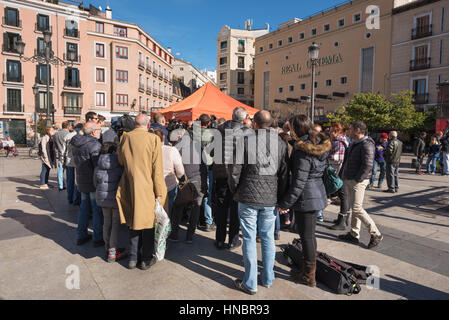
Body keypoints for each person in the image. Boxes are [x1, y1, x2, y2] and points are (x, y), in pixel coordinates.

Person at [229, 110, 288, 295]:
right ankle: (268, 278)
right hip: (270, 199)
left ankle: (251, 282)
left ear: (254, 123)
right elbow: (284, 174)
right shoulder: (280, 143)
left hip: (247, 196)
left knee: (248, 238)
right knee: (268, 238)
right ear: (270, 124)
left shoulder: (245, 141)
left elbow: (234, 171)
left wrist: (235, 190)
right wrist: (281, 197)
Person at [277, 115, 331, 287]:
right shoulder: (316, 144)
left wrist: (285, 204)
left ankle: (309, 276)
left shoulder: (302, 151)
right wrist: (285, 134)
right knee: (310, 235)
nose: (289, 130)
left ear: (296, 129)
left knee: (306, 236)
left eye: (291, 127)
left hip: (306, 197)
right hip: (317, 193)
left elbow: (299, 182)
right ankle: (307, 271)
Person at [116, 114, 167, 270]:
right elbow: (157, 169)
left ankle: (132, 258)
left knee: (133, 223)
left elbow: (120, 161)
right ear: (148, 124)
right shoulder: (154, 139)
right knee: (148, 224)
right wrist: (159, 191)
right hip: (147, 186)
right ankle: (145, 259)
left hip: (129, 185)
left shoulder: (125, 138)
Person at [338, 120, 383, 249]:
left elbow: (368, 165)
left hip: (358, 181)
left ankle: (376, 233)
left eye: (351, 129)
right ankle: (354, 234)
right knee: (354, 207)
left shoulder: (366, 144)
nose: (349, 131)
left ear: (358, 130)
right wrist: (343, 175)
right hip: (350, 178)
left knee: (357, 208)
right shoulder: (355, 143)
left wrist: (357, 179)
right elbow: (347, 161)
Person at [212, 107, 249, 250]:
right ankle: (233, 240)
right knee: (235, 209)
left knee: (221, 209)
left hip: (221, 173)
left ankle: (220, 240)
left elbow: (213, 151)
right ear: (244, 118)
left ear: (232, 115)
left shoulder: (220, 130)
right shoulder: (247, 132)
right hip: (238, 175)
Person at [168, 127, 207, 244]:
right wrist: (204, 183)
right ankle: (190, 235)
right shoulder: (197, 145)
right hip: (198, 179)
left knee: (178, 207)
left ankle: (174, 234)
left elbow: (174, 166)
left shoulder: (175, 148)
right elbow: (204, 165)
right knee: (196, 207)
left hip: (183, 181)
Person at [71, 122, 104, 247]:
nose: (100, 131)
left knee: (84, 208)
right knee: (96, 210)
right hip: (92, 181)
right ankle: (98, 237)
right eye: (99, 129)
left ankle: (81, 235)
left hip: (81, 179)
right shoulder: (95, 144)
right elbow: (97, 166)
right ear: (93, 131)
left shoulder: (76, 143)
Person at [94, 142, 127, 263]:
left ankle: (107, 248)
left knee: (106, 223)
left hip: (102, 199)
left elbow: (95, 183)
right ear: (113, 152)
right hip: (115, 200)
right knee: (115, 224)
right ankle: (113, 252)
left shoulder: (98, 165)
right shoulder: (119, 166)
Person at [152, 128, 184, 219]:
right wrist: (179, 178)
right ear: (163, 137)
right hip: (169, 186)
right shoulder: (171, 150)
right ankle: (166, 231)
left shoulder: (149, 151)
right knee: (167, 214)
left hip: (153, 186)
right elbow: (180, 170)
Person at [194, 114, 216, 232]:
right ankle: (207, 221)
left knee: (197, 194)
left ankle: (197, 220)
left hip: (194, 166)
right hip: (207, 166)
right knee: (207, 194)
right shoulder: (212, 135)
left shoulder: (192, 134)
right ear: (208, 123)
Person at [328, 123, 350, 231]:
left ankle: (342, 221)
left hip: (340, 172)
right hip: (343, 171)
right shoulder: (343, 140)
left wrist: (325, 156)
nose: (330, 133)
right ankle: (344, 219)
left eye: (332, 131)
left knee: (343, 195)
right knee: (343, 195)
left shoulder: (339, 141)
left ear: (338, 132)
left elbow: (336, 158)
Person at [64, 123, 82, 205]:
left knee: (70, 180)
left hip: (69, 161)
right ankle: (75, 199)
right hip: (77, 161)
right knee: (77, 181)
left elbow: (63, 150)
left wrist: (62, 160)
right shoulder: (81, 136)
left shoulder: (68, 136)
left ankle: (69, 198)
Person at [53, 121, 71, 191]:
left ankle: (61, 185)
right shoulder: (69, 134)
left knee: (60, 170)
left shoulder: (56, 134)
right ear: (68, 126)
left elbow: (54, 146)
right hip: (68, 155)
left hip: (60, 154)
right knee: (69, 172)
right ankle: (69, 185)